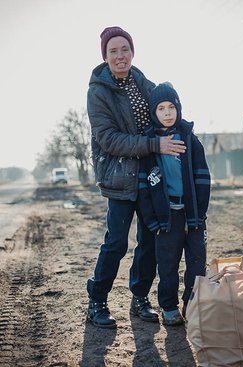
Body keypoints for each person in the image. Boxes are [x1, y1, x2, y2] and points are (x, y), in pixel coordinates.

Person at [86, 26, 186, 329]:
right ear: (105, 56)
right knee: (116, 242)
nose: (120, 55)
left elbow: (165, 119)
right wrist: (155, 145)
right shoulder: (98, 92)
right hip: (119, 178)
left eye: (125, 49)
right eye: (113, 51)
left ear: (132, 52)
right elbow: (109, 139)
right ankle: (97, 301)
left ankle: (139, 298)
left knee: (149, 242)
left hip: (148, 177)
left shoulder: (146, 85)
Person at [137, 82, 211, 326]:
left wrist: (199, 214)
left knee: (197, 263)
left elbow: (202, 179)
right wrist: (152, 221)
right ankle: (169, 307)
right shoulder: (149, 146)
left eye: (171, 107)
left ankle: (192, 305)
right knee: (167, 265)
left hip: (192, 216)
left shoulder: (190, 140)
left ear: (178, 108)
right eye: (161, 108)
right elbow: (144, 189)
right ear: (153, 112)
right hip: (166, 218)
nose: (167, 112)